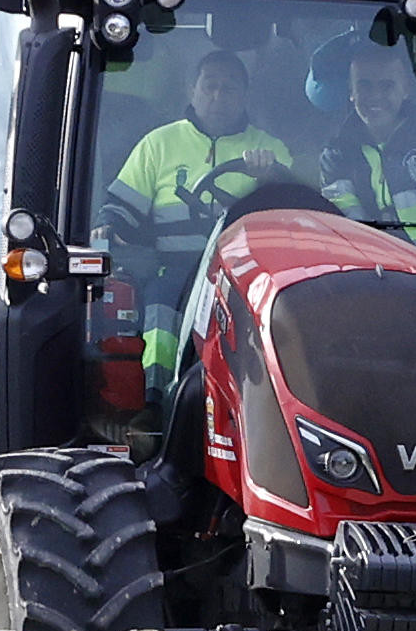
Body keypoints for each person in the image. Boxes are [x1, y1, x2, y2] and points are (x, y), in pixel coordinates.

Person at [108, 48, 296, 388]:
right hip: (177, 272)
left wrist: (270, 179)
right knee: (161, 302)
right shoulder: (158, 144)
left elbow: (296, 215)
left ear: (245, 96)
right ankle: (158, 393)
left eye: (229, 88)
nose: (218, 96)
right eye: (210, 86)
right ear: (191, 90)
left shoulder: (271, 150)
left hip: (246, 278)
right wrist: (108, 225)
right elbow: (121, 209)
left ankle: (257, 397)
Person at [319, 40, 416, 244]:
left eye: (387, 86)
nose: (375, 96)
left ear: (406, 89)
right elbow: (346, 229)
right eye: (364, 86)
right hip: (376, 265)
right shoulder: (336, 155)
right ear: (351, 92)